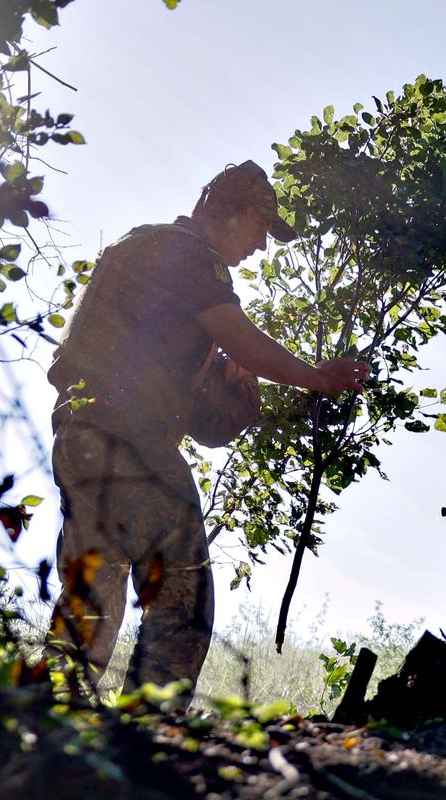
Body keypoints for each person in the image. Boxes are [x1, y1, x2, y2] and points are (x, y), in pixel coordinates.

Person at [46, 160, 371, 695]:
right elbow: (242, 339)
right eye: (261, 227)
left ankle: (47, 722)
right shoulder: (184, 251)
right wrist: (316, 378)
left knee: (93, 596)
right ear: (229, 211)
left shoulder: (157, 269)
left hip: (83, 435)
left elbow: (204, 426)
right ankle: (149, 733)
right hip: (125, 432)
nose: (263, 245)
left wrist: (237, 392)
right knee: (182, 592)